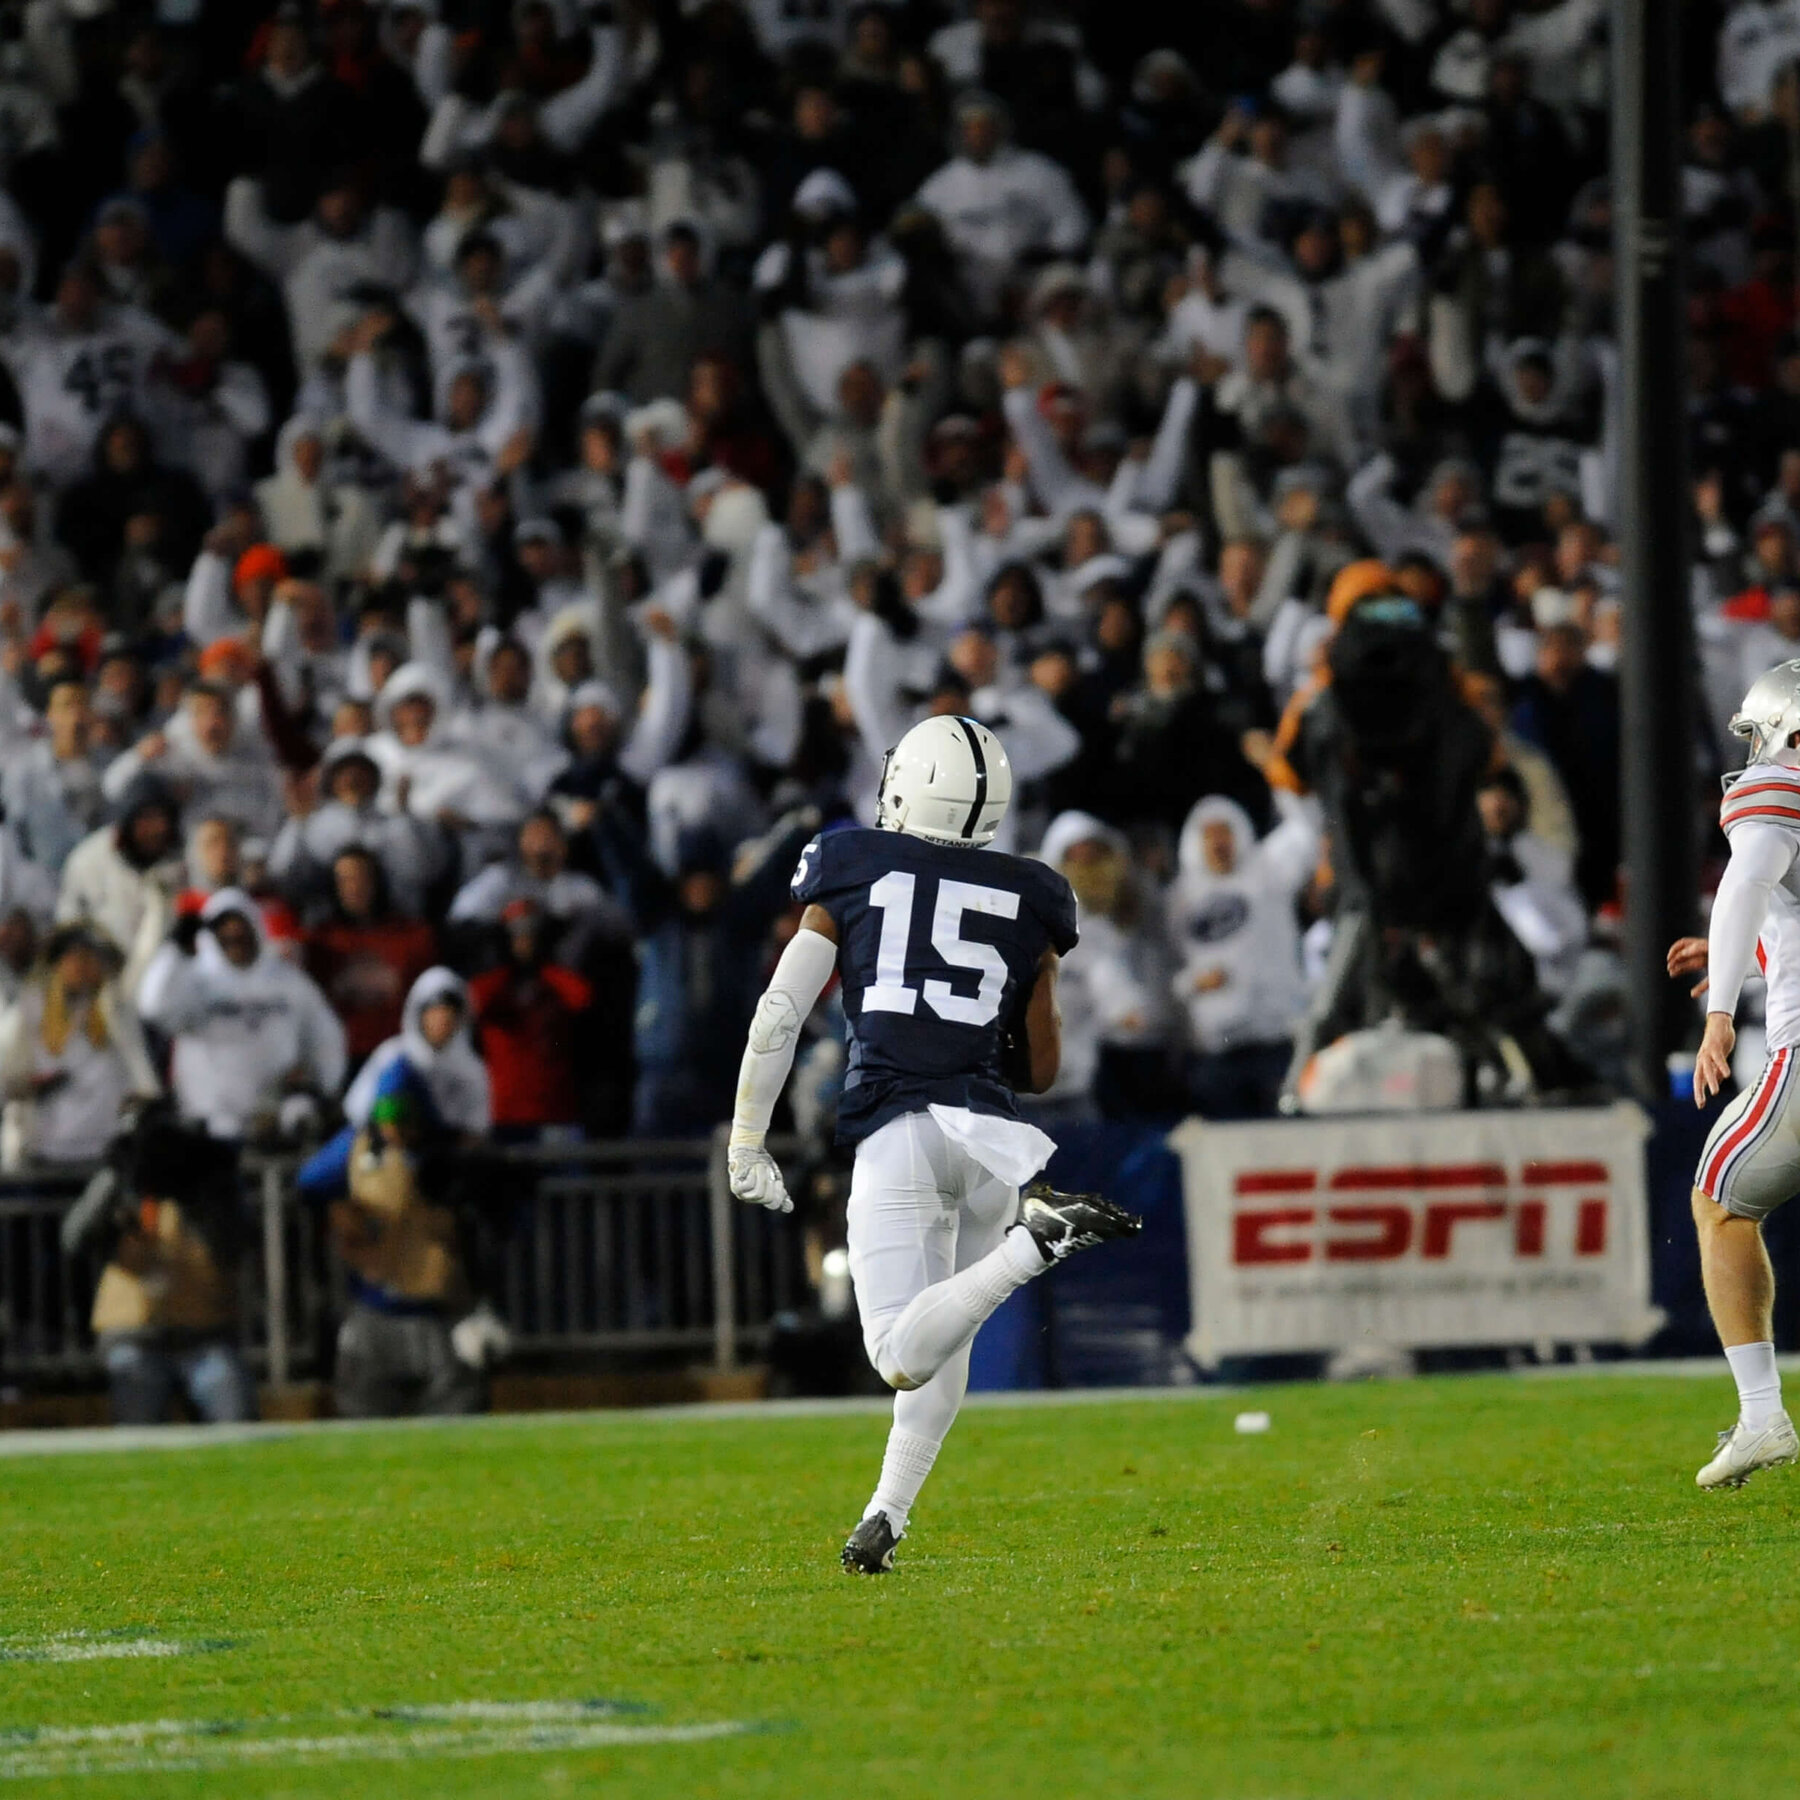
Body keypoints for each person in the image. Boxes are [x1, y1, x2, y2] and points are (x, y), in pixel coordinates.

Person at [727, 715, 1141, 1574]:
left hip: (901, 1126)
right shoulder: (1035, 894)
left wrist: (746, 1137)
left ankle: (1038, 1243)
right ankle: (886, 1515)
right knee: (942, 1337)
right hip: (992, 1139)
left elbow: (781, 1010)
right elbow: (1043, 1066)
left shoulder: (846, 862)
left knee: (896, 1353)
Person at [1669, 661, 1800, 1489]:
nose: (1756, 749)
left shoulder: (1778, 788)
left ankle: (1761, 1415)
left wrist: (1721, 1008)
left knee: (1719, 1201)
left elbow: (1746, 883)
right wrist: (1742, 963)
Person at [59, 1100, 256, 1426]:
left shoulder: (210, 1184)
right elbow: (73, 1237)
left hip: (204, 1337)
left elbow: (233, 1243)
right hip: (136, 1338)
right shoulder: (124, 1181)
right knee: (136, 1396)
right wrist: (117, 1172)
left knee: (232, 1403)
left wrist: (200, 1177)